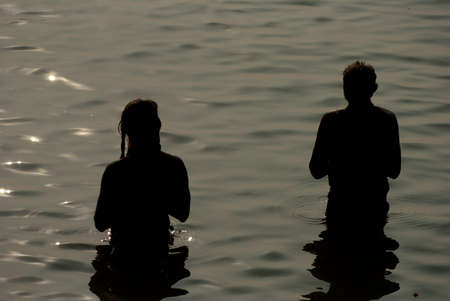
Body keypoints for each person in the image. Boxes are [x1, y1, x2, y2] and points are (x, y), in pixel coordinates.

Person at [94, 99, 190, 266]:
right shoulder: (173, 165)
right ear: (158, 126)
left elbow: (100, 223)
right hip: (158, 248)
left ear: (126, 131)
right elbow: (183, 213)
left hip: (122, 251)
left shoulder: (115, 171)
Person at [309, 61, 401, 236]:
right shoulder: (386, 120)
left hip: (340, 210)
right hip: (374, 210)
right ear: (374, 88)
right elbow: (394, 171)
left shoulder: (331, 122)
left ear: (344, 90)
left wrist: (340, 162)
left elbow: (316, 171)